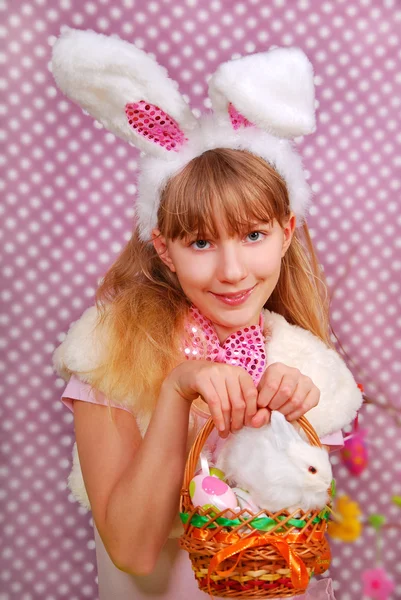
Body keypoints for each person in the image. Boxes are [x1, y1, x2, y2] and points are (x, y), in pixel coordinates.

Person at [50, 28, 363, 600]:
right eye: (199, 242)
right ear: (163, 247)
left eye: (252, 234)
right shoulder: (109, 355)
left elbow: (290, 545)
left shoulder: (307, 367)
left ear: (286, 232)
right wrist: (176, 391)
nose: (233, 270)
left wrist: (282, 423)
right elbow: (133, 550)